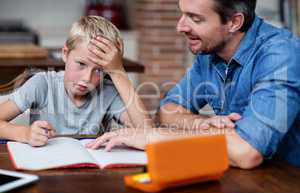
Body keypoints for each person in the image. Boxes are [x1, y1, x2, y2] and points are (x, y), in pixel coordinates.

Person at [86, 0, 300, 169]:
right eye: (182, 13)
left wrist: (155, 136)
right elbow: (168, 111)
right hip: (242, 179)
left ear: (234, 22)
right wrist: (202, 124)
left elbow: (247, 152)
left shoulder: (280, 54)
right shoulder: (210, 52)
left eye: (195, 18)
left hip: (285, 182)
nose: (180, 26)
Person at [0, 15, 152, 147]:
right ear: (65, 53)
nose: (87, 78)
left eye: (99, 70)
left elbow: (148, 134)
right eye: (81, 64)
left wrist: (118, 72)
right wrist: (25, 134)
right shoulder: (42, 84)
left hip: (90, 175)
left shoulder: (108, 91)